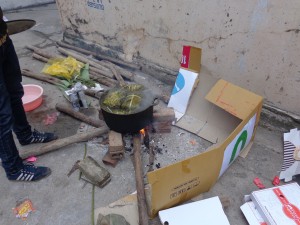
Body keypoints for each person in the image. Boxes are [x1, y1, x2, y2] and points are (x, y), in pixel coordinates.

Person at [0, 7, 57, 181]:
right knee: (2, 116)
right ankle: (14, 169)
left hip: (2, 38)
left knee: (14, 90)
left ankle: (25, 135)